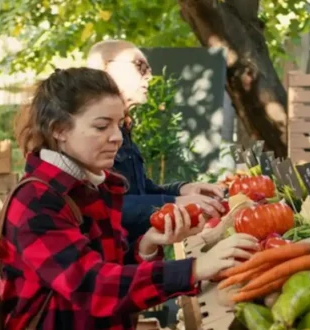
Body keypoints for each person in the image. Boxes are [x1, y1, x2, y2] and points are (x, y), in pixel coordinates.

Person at [0, 67, 258, 329]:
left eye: (120, 125)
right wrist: (194, 269)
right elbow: (93, 288)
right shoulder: (36, 201)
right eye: (102, 126)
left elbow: (114, 271)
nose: (117, 138)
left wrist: (147, 245)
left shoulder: (98, 185)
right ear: (59, 130)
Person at [85, 40, 226, 251]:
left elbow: (138, 190)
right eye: (140, 66)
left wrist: (182, 190)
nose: (150, 75)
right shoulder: (87, 136)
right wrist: (174, 202)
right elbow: (105, 206)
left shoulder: (124, 125)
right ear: (108, 69)